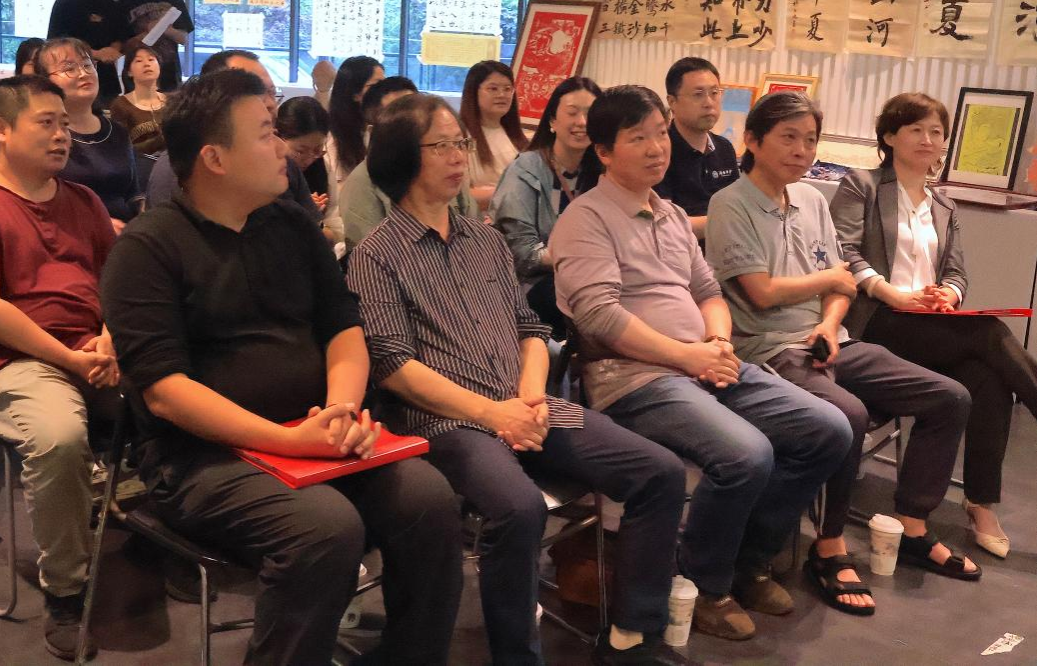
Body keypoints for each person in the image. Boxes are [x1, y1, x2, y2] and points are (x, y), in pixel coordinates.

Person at [100, 68, 463, 666]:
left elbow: (343, 327)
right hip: (202, 458)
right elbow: (165, 392)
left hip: (313, 431)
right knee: (324, 528)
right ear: (215, 158)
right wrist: (288, 441)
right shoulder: (147, 247)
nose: (282, 148)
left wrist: (341, 409)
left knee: (428, 498)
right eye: (266, 133)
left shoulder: (290, 224)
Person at [347, 92, 692, 666]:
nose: (458, 156)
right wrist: (494, 413)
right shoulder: (376, 254)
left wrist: (531, 396)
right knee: (519, 507)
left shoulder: (483, 239)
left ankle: (634, 633)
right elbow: (393, 367)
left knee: (659, 471)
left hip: (525, 403)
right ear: (403, 157)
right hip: (449, 422)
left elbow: (531, 328)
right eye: (440, 146)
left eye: (460, 143)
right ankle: (516, 656)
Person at [551, 85, 852, 641]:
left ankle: (748, 561)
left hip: (702, 363)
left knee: (828, 429)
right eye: (637, 138)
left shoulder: (667, 214)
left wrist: (716, 343)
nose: (656, 148)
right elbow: (599, 317)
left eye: (659, 134)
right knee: (746, 454)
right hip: (634, 379)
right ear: (605, 151)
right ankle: (704, 584)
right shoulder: (585, 218)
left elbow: (709, 291)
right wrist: (688, 356)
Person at [705, 91, 977, 618]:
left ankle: (912, 526)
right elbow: (761, 292)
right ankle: (828, 544)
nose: (802, 150)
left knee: (949, 397)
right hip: (768, 347)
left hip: (832, 337)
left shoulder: (810, 199)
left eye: (810, 140)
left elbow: (844, 284)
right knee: (847, 415)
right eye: (788, 138)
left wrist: (830, 323)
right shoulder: (731, 203)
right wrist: (829, 281)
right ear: (753, 141)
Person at [0, 75, 119, 660]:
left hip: (94, 350)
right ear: (1, 130)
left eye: (65, 124)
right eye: (47, 123)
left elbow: (118, 283)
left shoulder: (83, 201)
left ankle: (170, 527)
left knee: (189, 390)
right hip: (15, 362)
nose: (63, 135)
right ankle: (66, 590)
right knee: (59, 438)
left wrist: (110, 340)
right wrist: (71, 358)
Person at [830, 92, 1037, 560]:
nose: (928, 139)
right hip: (878, 321)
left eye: (937, 132)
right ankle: (977, 505)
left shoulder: (943, 204)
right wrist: (891, 293)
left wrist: (950, 295)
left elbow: (957, 273)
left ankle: (980, 504)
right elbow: (843, 250)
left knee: (988, 378)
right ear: (890, 137)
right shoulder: (862, 185)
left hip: (929, 326)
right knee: (989, 334)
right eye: (916, 130)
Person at [145, 50, 320, 223]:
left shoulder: (282, 170)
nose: (269, 104)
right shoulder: (179, 171)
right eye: (253, 92)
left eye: (272, 93)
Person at [491, 77, 600, 337]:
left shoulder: (601, 171)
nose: (582, 122)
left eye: (590, 114)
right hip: (531, 285)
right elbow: (521, 253)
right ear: (552, 121)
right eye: (572, 113)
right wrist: (582, 258)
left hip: (591, 276)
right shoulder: (527, 169)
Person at [34, 38, 142, 231]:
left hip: (125, 236)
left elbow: (133, 194)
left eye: (87, 65)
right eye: (69, 68)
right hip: (68, 235)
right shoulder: (43, 137)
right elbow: (37, 204)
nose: (83, 73)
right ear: (45, 82)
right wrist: (98, 225)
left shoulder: (117, 132)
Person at [655, 57, 739, 238]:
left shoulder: (724, 148)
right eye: (698, 94)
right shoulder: (659, 151)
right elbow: (664, 225)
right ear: (672, 101)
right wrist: (728, 222)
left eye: (714, 93)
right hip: (679, 251)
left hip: (727, 248)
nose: (709, 103)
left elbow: (737, 206)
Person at [46, 0, 128, 104]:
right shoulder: (64, 4)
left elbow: (121, 35)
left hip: (107, 79)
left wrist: (113, 50)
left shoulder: (110, 5)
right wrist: (94, 54)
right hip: (74, 77)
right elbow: (56, 44)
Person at [116, 0, 193, 92]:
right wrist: (147, 34)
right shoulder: (122, 4)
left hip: (169, 74)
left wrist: (164, 28)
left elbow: (183, 39)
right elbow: (123, 48)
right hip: (136, 78)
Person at [460, 60, 530, 211]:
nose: (502, 95)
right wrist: (511, 192)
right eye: (493, 88)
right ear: (473, 91)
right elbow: (459, 197)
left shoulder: (518, 137)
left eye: (507, 89)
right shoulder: (461, 138)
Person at [277, 95, 343, 243]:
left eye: (317, 150)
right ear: (278, 139)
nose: (309, 159)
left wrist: (314, 219)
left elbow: (335, 226)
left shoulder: (323, 166)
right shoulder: (270, 173)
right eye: (300, 151)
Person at [326, 55, 385, 190]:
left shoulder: (378, 132)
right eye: (376, 86)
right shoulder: (334, 139)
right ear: (354, 93)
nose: (383, 92)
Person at [108, 44, 168, 154]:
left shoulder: (171, 101)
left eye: (151, 59)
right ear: (129, 72)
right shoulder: (121, 105)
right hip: (139, 162)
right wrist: (159, 141)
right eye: (139, 61)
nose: (147, 64)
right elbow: (121, 147)